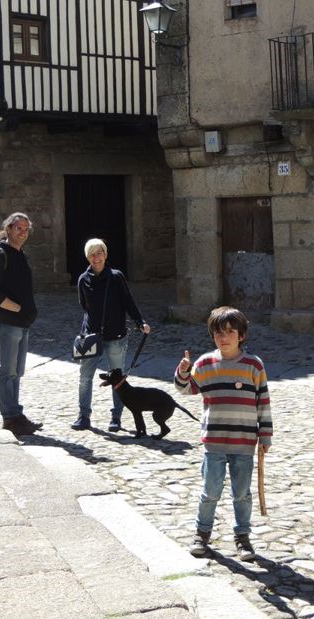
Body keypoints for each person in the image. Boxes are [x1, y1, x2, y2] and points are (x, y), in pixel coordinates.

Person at [174, 306, 272, 561]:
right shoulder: (205, 364)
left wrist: (266, 435)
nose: (224, 337)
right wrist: (184, 371)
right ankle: (202, 534)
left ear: (241, 335)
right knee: (210, 491)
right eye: (218, 332)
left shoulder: (253, 365)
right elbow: (186, 389)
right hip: (214, 441)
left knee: (242, 493)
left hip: (244, 442)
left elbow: (263, 401)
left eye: (230, 332)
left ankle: (242, 536)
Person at [72, 238, 151, 432]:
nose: (96, 257)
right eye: (92, 254)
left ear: (105, 255)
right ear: (87, 257)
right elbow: (85, 307)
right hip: (90, 337)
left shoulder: (116, 277)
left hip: (116, 336)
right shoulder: (83, 280)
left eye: (100, 253)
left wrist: (139, 321)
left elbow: (128, 301)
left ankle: (116, 417)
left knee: (118, 379)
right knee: (85, 378)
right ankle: (84, 416)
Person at [0, 212, 42, 437]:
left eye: (26, 229)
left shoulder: (20, 254)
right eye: (19, 228)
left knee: (16, 372)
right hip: (8, 323)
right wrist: (17, 308)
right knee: (7, 372)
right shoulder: (0, 254)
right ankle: (10, 418)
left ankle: (16, 415)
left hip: (22, 323)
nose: (23, 233)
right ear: (8, 229)